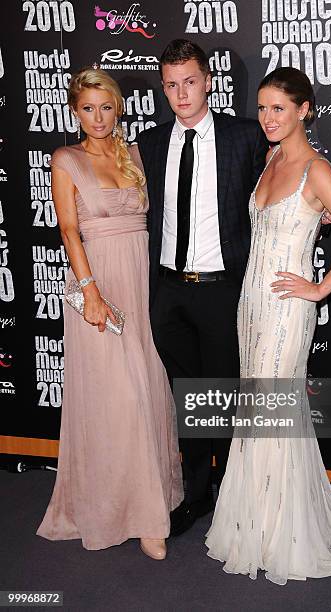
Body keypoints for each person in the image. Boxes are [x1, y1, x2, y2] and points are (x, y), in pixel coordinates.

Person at [205, 67, 331, 584]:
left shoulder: (317, 169)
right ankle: (259, 520)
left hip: (289, 310)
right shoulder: (271, 158)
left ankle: (277, 534)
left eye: (279, 109)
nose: (267, 118)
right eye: (263, 108)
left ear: (304, 110)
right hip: (252, 304)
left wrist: (316, 288)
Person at [37, 67, 183, 559]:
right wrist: (90, 291)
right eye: (86, 108)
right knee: (116, 399)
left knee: (150, 392)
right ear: (75, 112)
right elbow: (69, 232)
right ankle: (133, 515)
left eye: (105, 107)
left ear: (117, 108)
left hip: (144, 285)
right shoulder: (65, 159)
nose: (97, 118)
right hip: (98, 284)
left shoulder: (136, 155)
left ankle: (151, 503)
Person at [137, 39, 269, 536]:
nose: (181, 93)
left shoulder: (246, 137)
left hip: (221, 289)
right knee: (188, 397)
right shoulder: (149, 144)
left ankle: (237, 497)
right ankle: (196, 496)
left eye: (189, 81)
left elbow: (277, 199)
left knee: (227, 396)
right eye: (171, 85)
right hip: (169, 292)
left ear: (208, 81)